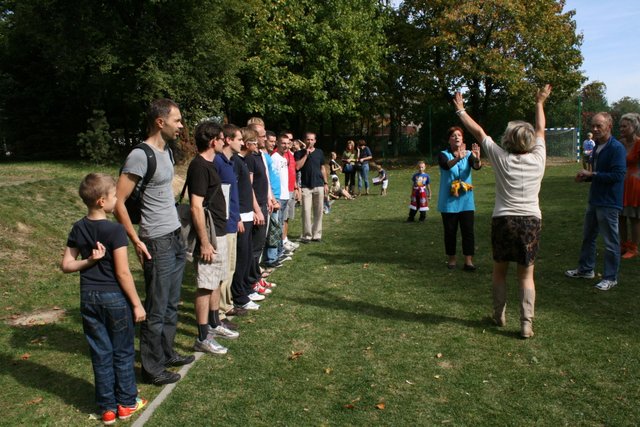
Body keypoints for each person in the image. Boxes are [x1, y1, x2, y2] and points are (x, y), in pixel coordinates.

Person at [453, 84, 552, 338]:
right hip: (531, 222)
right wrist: (539, 102)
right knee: (526, 276)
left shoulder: (501, 158)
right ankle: (526, 324)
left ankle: (499, 316)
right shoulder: (539, 158)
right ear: (530, 141)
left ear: (508, 139)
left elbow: (479, 132)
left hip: (503, 220)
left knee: (499, 272)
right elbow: (541, 129)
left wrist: (461, 111)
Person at [114, 98, 194, 386]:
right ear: (160, 122)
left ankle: (167, 353)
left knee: (171, 303)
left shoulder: (167, 152)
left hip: (174, 235)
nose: (181, 125)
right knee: (157, 308)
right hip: (155, 240)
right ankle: (151, 368)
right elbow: (118, 202)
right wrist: (136, 240)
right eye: (177, 120)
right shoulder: (139, 155)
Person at [61, 173, 147, 424]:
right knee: (122, 351)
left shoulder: (78, 227)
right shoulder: (115, 230)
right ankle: (127, 403)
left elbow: (67, 264)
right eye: (113, 196)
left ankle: (108, 408)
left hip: (89, 298)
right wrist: (137, 304)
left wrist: (87, 261)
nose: (117, 200)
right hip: (114, 298)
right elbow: (123, 272)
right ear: (101, 201)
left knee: (100, 352)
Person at [187, 120, 240, 357]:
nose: (223, 141)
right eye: (220, 138)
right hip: (209, 236)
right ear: (212, 141)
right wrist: (205, 242)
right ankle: (202, 337)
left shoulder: (210, 163)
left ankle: (215, 323)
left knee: (216, 280)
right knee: (205, 285)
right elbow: (195, 206)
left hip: (219, 231)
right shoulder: (199, 166)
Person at [565, 112, 626, 291]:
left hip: (609, 201)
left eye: (599, 126)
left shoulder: (616, 148)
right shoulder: (597, 146)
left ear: (609, 126)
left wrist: (592, 174)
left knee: (610, 242)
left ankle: (610, 277)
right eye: (593, 125)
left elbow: (618, 175)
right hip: (595, 199)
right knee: (588, 236)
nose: (595, 129)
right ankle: (586, 269)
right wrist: (586, 178)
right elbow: (598, 174)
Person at [437, 127, 482, 270]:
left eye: (459, 135)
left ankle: (468, 261)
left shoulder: (468, 154)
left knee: (468, 231)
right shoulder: (443, 154)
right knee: (450, 232)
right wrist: (458, 158)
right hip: (449, 202)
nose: (457, 137)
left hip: (466, 201)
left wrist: (477, 158)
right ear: (449, 140)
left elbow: (476, 167)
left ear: (462, 139)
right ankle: (452, 259)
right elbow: (446, 166)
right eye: (453, 135)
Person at [295, 132, 329, 242]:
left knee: (318, 211)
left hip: (319, 185)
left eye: (312, 139)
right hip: (305, 186)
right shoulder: (299, 153)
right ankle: (307, 235)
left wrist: (326, 183)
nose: (310, 141)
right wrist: (306, 154)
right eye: (308, 139)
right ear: (305, 140)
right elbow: (297, 167)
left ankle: (317, 235)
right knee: (306, 211)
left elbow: (322, 168)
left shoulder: (319, 152)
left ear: (315, 141)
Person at [618, 113, 640, 259]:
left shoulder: (639, 144)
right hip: (620, 183)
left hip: (635, 184)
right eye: (620, 126)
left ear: (634, 127)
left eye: (625, 126)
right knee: (620, 216)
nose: (621, 129)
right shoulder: (620, 143)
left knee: (634, 217)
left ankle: (633, 248)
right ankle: (623, 245)